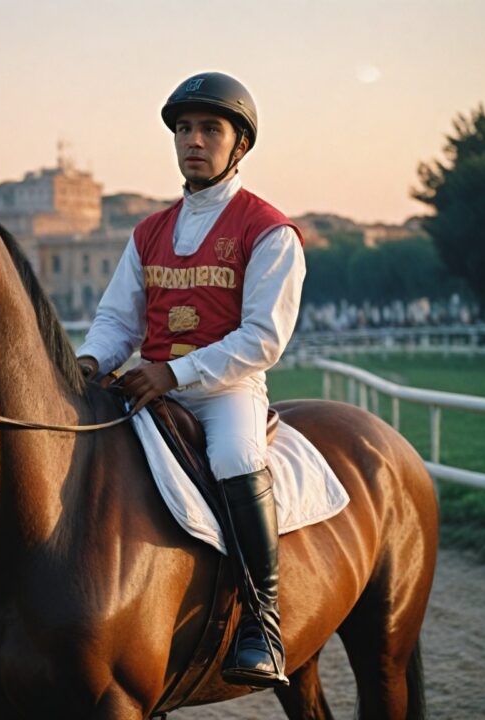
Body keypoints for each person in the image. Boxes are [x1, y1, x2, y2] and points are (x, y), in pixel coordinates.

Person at [76, 71, 305, 688]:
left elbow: (264, 338)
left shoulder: (270, 230)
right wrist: (91, 362)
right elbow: (117, 319)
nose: (193, 140)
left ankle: (264, 623)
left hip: (224, 391)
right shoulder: (148, 231)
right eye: (183, 129)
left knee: (234, 456)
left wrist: (173, 372)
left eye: (209, 129)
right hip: (146, 384)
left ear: (240, 145)